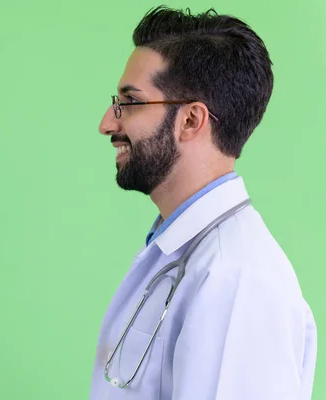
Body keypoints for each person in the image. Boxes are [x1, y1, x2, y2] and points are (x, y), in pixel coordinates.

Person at [90, 5, 317, 400]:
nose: (108, 122)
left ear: (192, 120)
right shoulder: (180, 252)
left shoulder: (235, 277)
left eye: (130, 101)